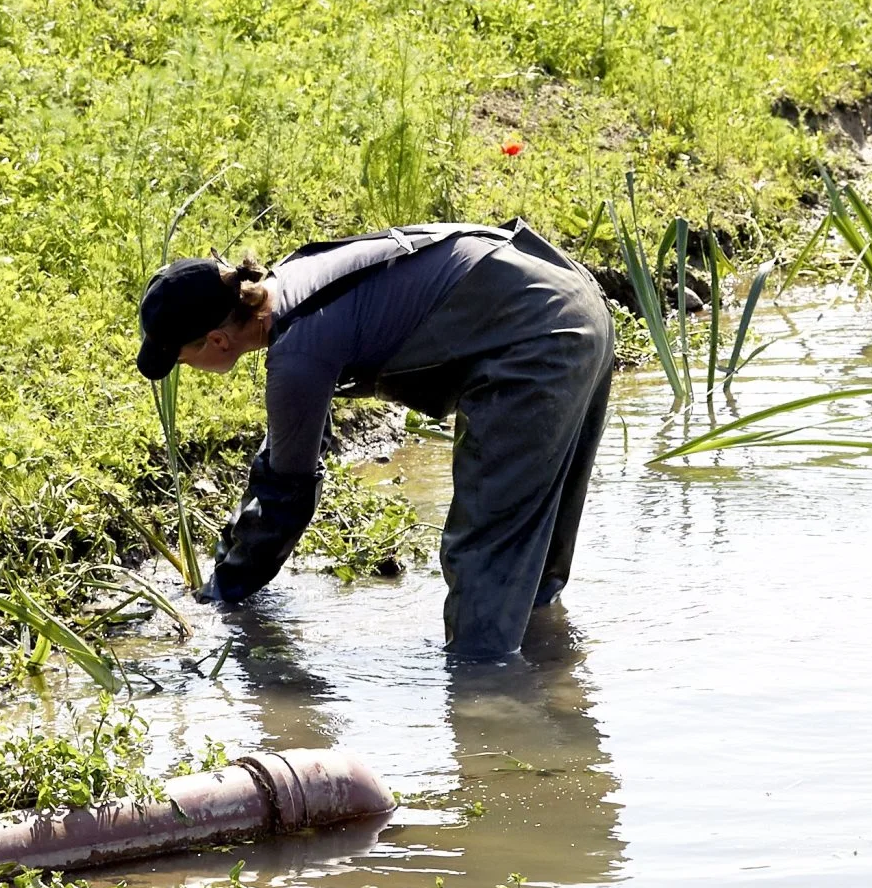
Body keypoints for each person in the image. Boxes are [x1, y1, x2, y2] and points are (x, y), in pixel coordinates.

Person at [134, 221, 614, 659]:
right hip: (572, 296)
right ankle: (545, 657)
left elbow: (286, 497)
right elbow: (288, 451)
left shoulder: (299, 354)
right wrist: (230, 570)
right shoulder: (298, 281)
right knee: (535, 555)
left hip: (539, 339)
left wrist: (221, 593)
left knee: (486, 552)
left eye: (179, 358)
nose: (183, 368)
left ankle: (486, 704)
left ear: (216, 341)